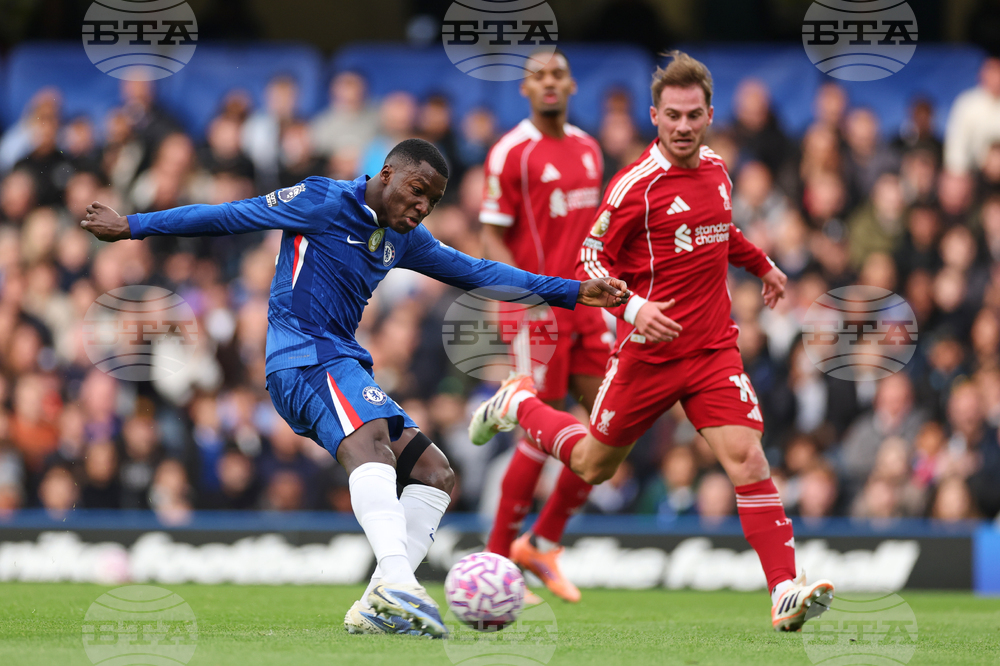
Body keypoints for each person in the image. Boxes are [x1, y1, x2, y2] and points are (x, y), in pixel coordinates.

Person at [80, 138, 628, 638]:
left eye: (432, 202)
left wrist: (576, 292)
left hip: (340, 363)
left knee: (436, 474)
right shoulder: (322, 200)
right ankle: (398, 583)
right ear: (386, 174)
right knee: (373, 448)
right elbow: (229, 216)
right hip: (300, 358)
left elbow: (480, 272)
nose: (421, 208)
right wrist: (132, 224)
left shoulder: (404, 239)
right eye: (416, 192)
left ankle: (376, 602)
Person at [470, 51, 834, 632]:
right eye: (673, 116)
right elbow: (590, 256)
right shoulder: (634, 186)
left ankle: (784, 588)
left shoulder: (717, 168)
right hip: (647, 354)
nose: (684, 126)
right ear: (655, 117)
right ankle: (519, 405)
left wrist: (763, 266)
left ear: (710, 114)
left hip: (712, 349)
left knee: (748, 459)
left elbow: (721, 231)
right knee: (593, 463)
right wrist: (634, 307)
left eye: (694, 115)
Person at [479, 49, 608, 603]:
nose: (550, 83)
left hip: (589, 304)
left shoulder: (588, 147)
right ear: (525, 89)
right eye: (539, 76)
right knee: (540, 427)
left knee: (612, 423)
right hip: (538, 305)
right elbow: (491, 234)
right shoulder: (511, 152)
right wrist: (507, 297)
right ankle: (496, 559)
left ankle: (543, 541)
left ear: (572, 84)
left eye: (558, 74)